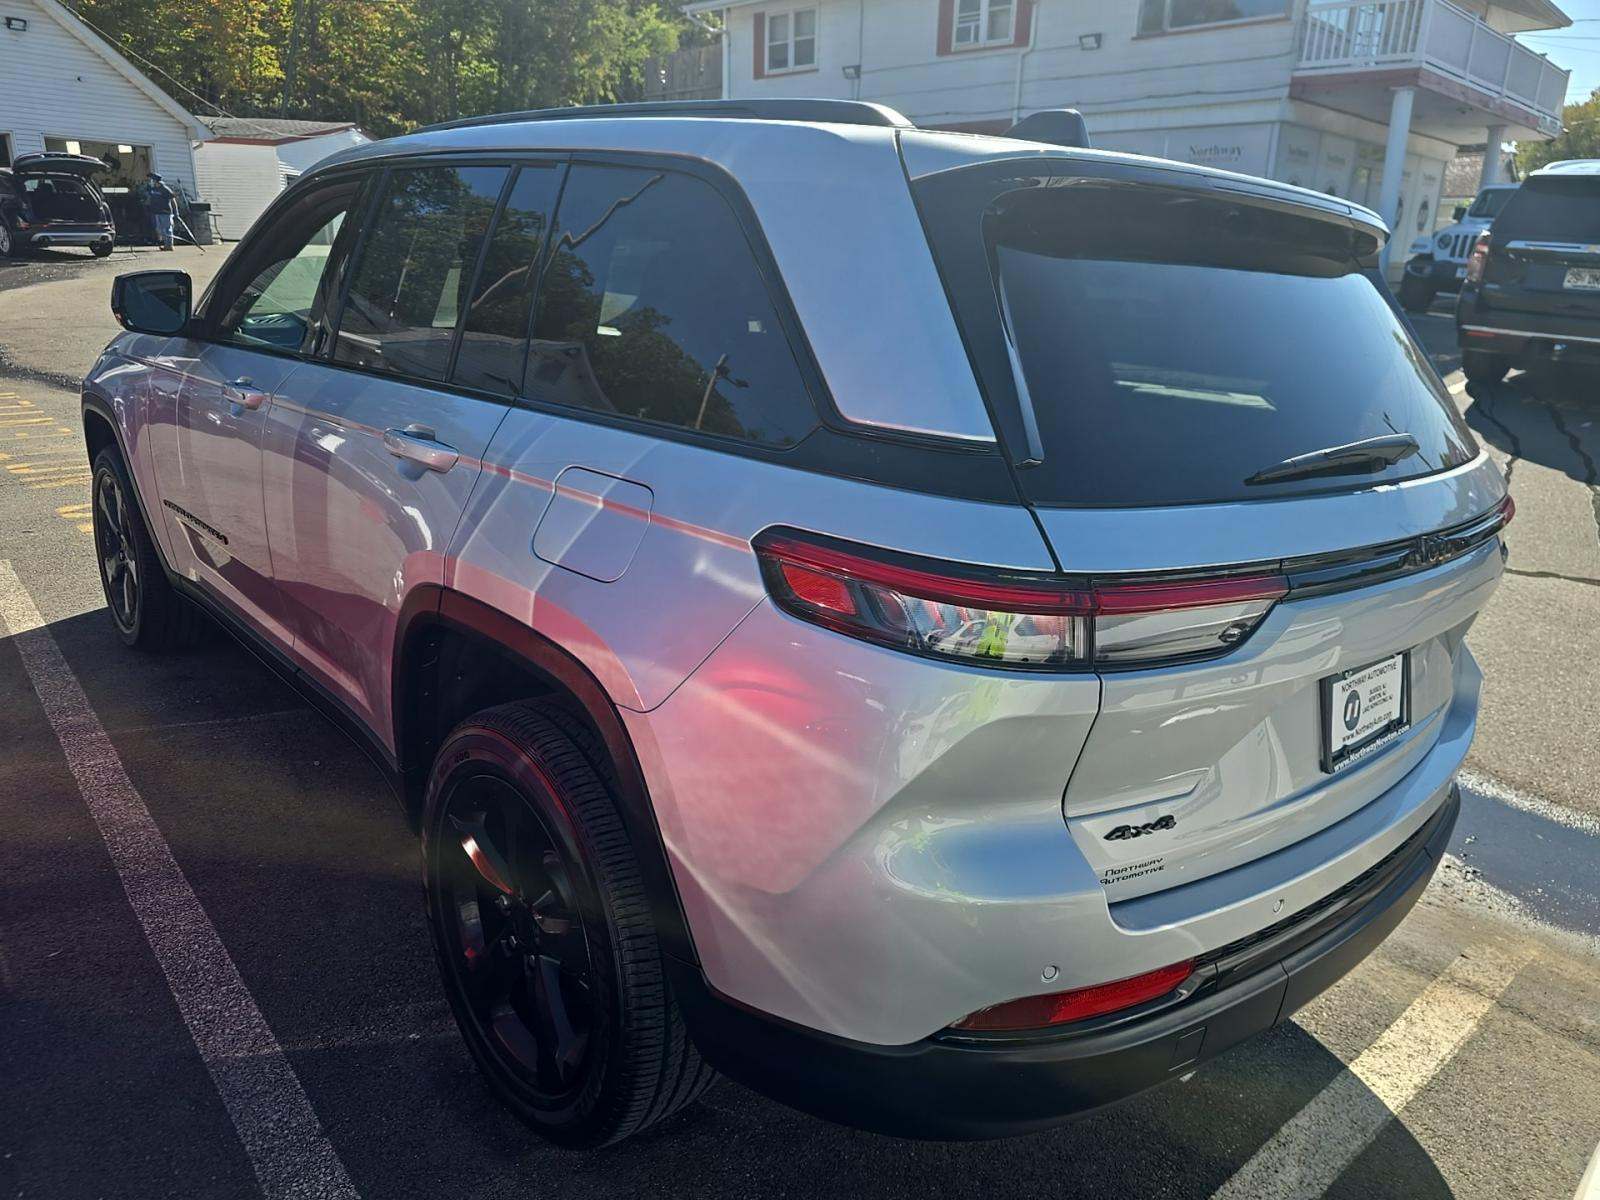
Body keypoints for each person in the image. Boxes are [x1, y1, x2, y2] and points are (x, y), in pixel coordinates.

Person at [144, 173, 176, 250]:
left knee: (167, 229)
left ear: (156, 181)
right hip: (156, 212)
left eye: (151, 180)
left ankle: (170, 246)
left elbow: (173, 200)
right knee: (159, 229)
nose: (150, 181)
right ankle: (165, 244)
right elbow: (150, 198)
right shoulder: (153, 189)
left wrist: (176, 212)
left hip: (165, 212)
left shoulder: (165, 189)